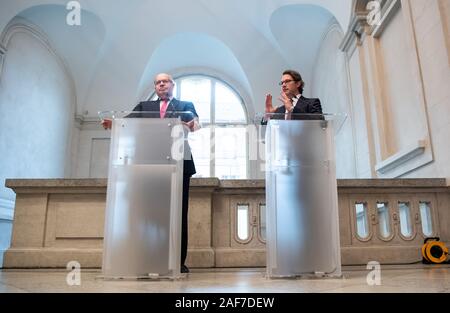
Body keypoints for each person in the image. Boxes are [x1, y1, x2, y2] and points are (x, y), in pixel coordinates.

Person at [102, 73, 199, 274]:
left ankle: (177, 262)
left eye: (165, 81)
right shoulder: (145, 106)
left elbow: (195, 126)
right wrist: (114, 124)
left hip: (179, 164)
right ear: (155, 87)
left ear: (173, 84)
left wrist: (188, 125)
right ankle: (148, 259)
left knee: (178, 214)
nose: (161, 84)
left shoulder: (185, 104)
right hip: (149, 165)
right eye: (157, 82)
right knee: (149, 214)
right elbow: (126, 124)